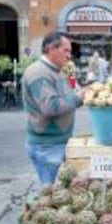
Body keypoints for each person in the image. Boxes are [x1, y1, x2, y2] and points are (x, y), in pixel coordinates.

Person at [22, 31, 85, 185]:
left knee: (58, 190)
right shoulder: (38, 73)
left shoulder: (57, 71)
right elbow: (51, 107)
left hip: (57, 143)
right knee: (51, 195)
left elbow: (64, 98)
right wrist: (78, 98)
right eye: (66, 50)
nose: (69, 55)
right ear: (51, 49)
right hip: (47, 146)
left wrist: (79, 96)